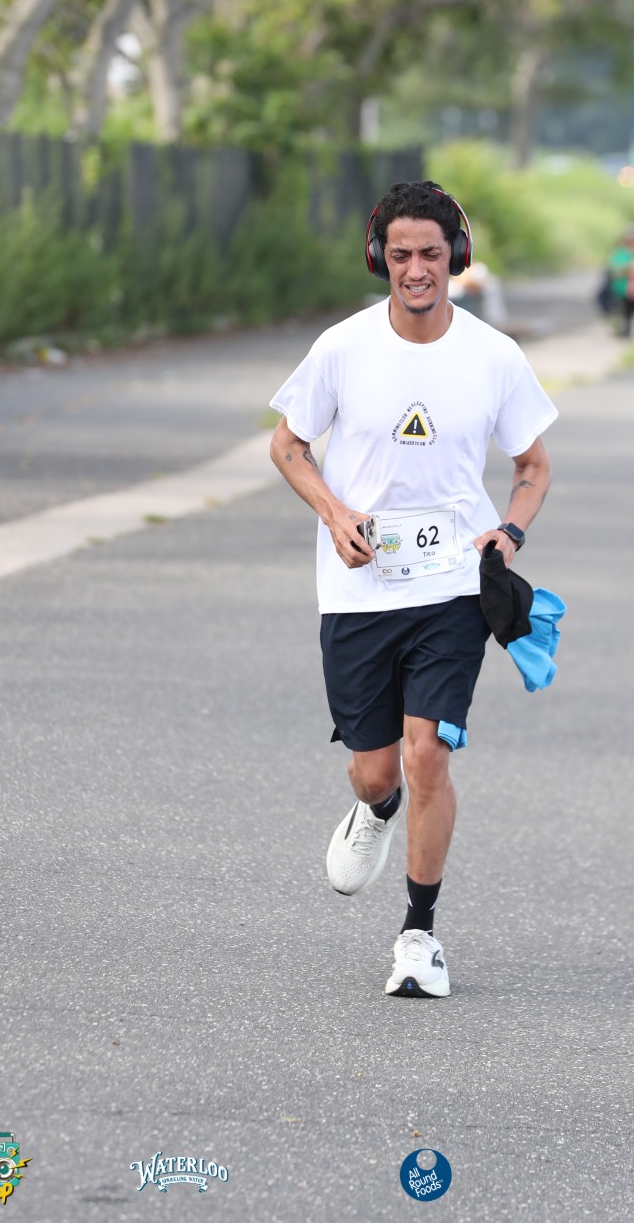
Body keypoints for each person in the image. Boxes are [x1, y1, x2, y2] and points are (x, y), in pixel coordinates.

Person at [269, 180, 557, 999]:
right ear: (380, 258)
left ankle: (419, 936)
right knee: (377, 771)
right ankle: (375, 809)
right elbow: (287, 446)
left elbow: (533, 465)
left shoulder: (494, 356)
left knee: (428, 751)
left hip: (452, 587)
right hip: (359, 590)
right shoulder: (342, 348)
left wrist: (510, 532)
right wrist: (334, 513)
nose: (418, 269)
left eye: (432, 253)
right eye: (401, 255)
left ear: (456, 255)